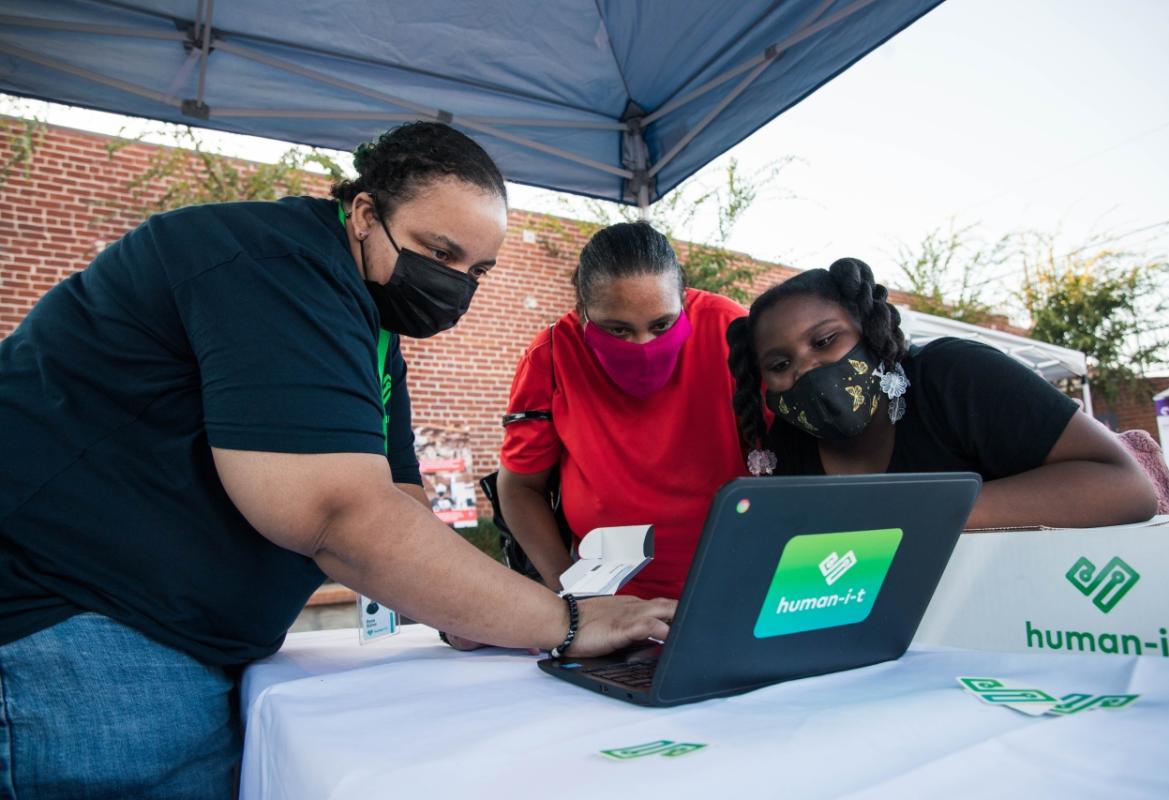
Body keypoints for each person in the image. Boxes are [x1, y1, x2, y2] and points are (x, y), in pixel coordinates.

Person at [0, 123, 674, 798]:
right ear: (362, 214)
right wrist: (566, 621)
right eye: (439, 252)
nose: (455, 286)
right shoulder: (272, 264)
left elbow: (400, 499)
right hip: (77, 636)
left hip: (166, 643)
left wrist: (471, 610)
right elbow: (340, 514)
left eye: (477, 270)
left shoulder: (373, 329)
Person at [725, 257, 1158, 529]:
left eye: (825, 342)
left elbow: (1127, 488)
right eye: (780, 365)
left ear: (869, 332)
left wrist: (921, 514)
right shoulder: (789, 445)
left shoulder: (952, 376)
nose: (806, 369)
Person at [497, 221, 748, 599]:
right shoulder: (551, 355)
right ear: (582, 311)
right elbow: (519, 487)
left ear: (683, 295)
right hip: (611, 595)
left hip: (737, 584)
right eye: (617, 330)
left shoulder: (730, 329)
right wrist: (575, 595)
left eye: (663, 324)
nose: (643, 345)